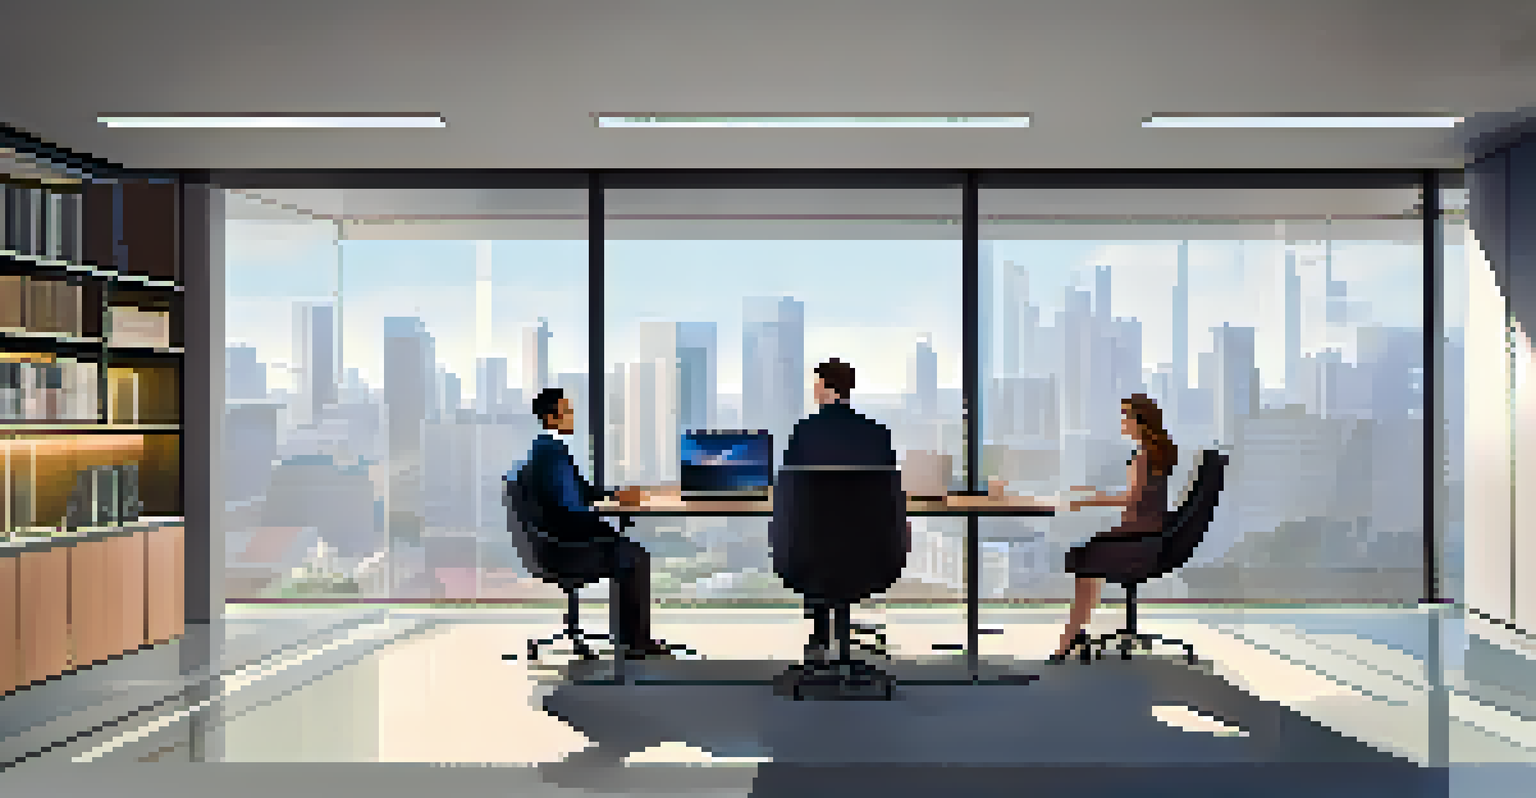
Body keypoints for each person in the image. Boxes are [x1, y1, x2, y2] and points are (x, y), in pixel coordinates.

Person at [515, 387, 678, 659]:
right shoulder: (551, 455)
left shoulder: (548, 450)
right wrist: (605, 529)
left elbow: (582, 492)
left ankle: (631, 637)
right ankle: (636, 641)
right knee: (634, 557)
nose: (572, 417)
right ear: (552, 417)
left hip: (555, 542)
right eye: (567, 412)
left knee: (627, 550)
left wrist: (615, 496)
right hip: (564, 549)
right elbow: (570, 510)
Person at [776, 358, 911, 660]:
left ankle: (820, 636)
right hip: (871, 557)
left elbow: (791, 496)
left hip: (809, 554)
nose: (813, 390)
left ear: (824, 386)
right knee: (835, 541)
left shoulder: (804, 432)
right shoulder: (877, 433)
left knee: (815, 535)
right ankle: (830, 640)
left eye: (815, 383)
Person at [1050, 393, 1178, 661]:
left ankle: (1069, 639)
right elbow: (1136, 495)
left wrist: (1088, 499)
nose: (1123, 423)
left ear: (1140, 421)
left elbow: (1131, 498)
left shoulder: (1144, 458)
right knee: (1088, 557)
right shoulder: (1157, 456)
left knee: (1085, 559)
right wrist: (1092, 494)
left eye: (1127, 417)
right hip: (1149, 539)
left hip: (1138, 542)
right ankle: (1074, 632)